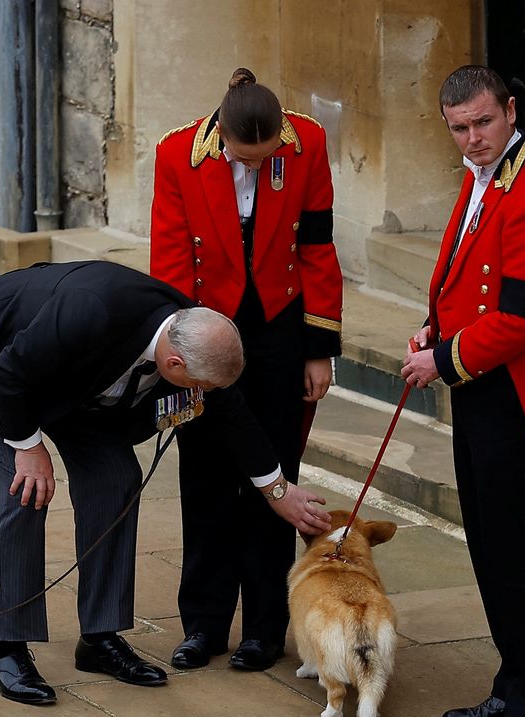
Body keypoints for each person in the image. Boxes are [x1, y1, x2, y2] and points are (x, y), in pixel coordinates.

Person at [0, 259, 331, 705]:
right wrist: (30, 449)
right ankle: (6, 649)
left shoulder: (194, 333)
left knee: (116, 475)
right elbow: (10, 372)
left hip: (73, 381)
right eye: (198, 385)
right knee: (24, 491)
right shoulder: (90, 311)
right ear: (173, 362)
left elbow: (232, 413)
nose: (203, 393)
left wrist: (277, 490)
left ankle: (99, 637)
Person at [400, 65, 525, 717]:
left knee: (519, 558)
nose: (473, 139)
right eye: (459, 129)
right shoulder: (488, 180)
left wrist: (440, 360)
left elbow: (521, 320)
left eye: (483, 123)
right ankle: (514, 687)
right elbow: (463, 280)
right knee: (489, 547)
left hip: (517, 398)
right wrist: (433, 328)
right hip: (484, 389)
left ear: (510, 111)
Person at [150, 67, 342, 672]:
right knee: (205, 479)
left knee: (274, 476)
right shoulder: (177, 153)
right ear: (224, 136)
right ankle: (202, 626)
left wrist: (319, 347)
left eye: (265, 161)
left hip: (279, 330)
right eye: (245, 160)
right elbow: (171, 257)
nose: (256, 169)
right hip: (207, 326)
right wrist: (184, 356)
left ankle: (264, 629)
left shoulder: (306, 141)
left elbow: (317, 245)